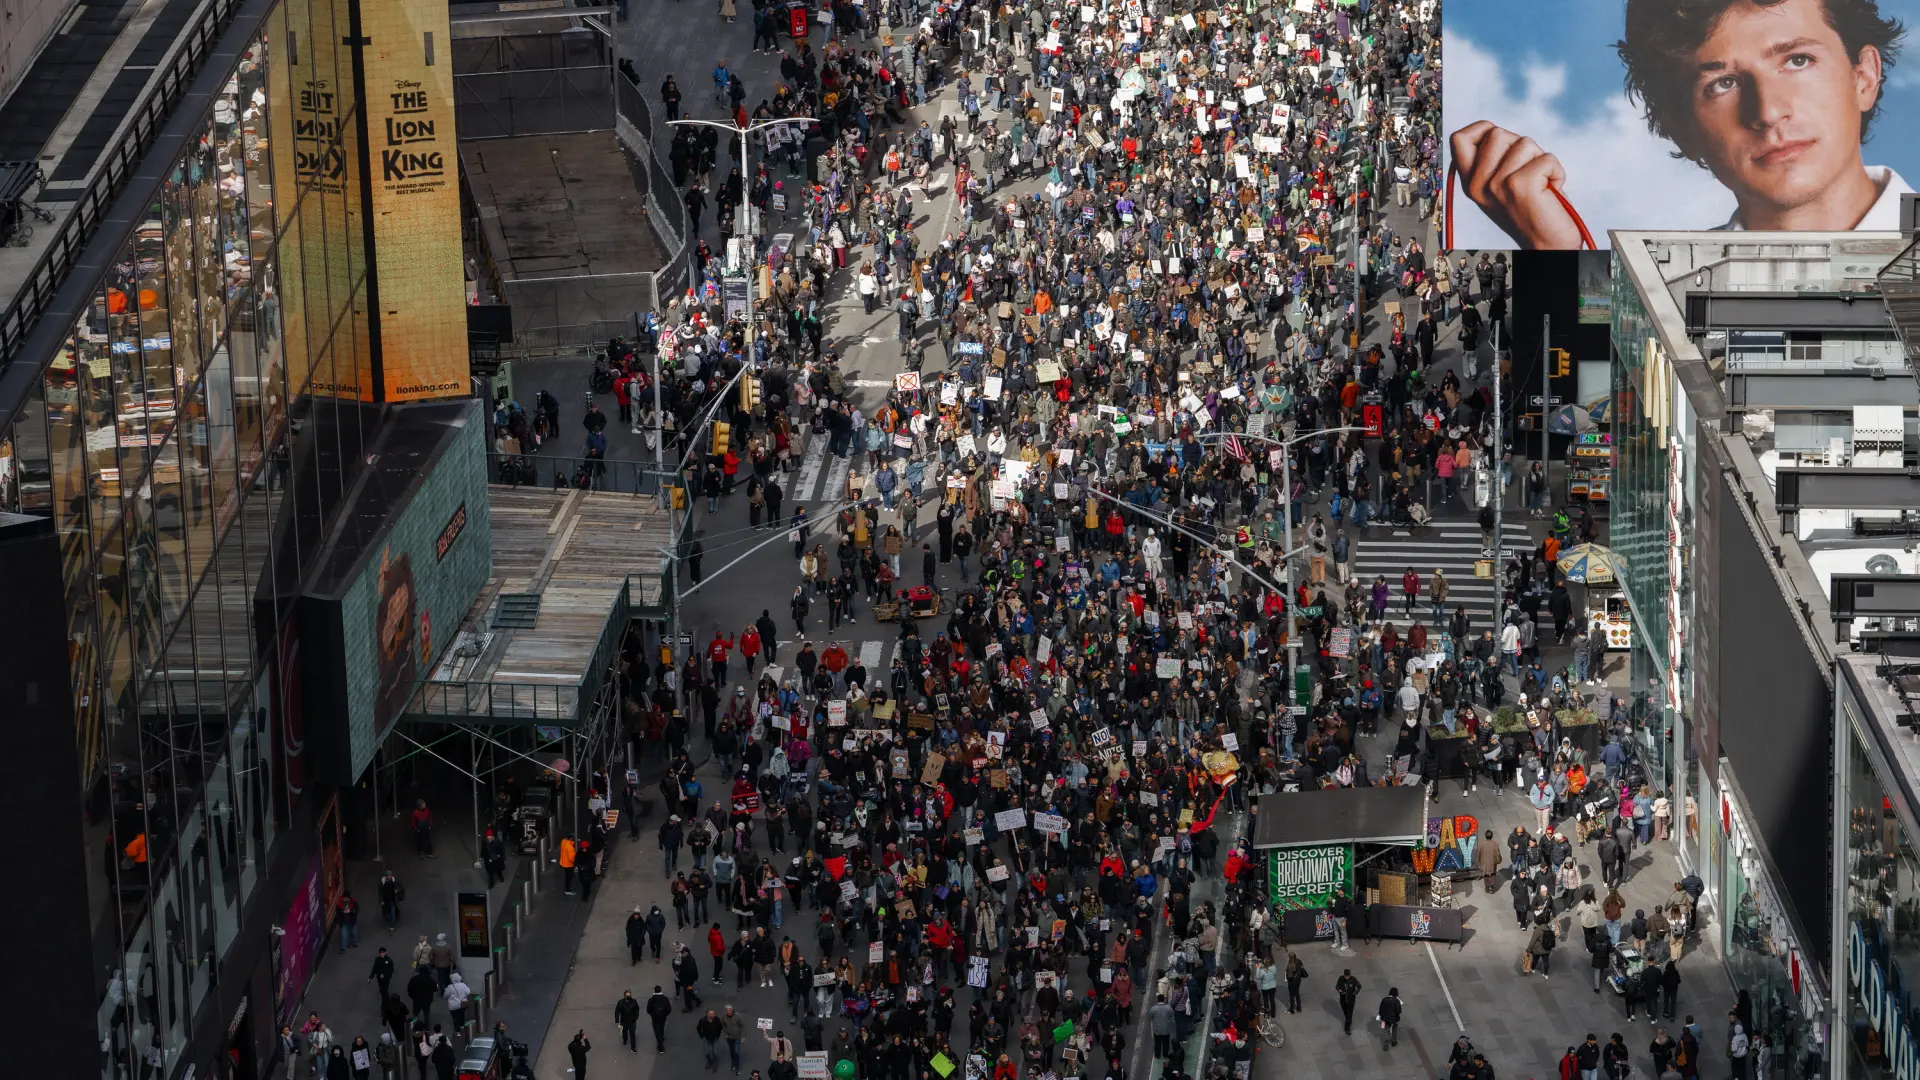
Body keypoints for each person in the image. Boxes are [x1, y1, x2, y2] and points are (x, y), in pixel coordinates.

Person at [1450, 0, 1911, 245]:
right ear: (1680, 130)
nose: (1769, 111)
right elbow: (1590, 409)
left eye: (1797, 60)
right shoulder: (1658, 294)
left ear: (1864, 76)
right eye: (1723, 84)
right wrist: (1556, 256)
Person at [647, 986, 674, 1052]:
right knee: (661, 1027)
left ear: (654, 991)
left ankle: (660, 1045)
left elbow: (648, 1010)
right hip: (663, 1016)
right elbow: (669, 1009)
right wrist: (665, 1015)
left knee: (656, 1030)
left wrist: (652, 1015)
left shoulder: (651, 999)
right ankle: (662, 1037)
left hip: (655, 1017)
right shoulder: (665, 998)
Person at [1335, 970, 1361, 1035]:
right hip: (1343, 1000)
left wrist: (1355, 992)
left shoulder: (1353, 979)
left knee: (1349, 1015)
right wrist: (1340, 991)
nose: (1347, 977)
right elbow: (1337, 986)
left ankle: (1347, 1028)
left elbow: (1359, 986)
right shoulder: (1340, 979)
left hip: (1350, 1000)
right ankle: (1348, 1020)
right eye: (1346, 976)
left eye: (1348, 976)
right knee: (1346, 1013)